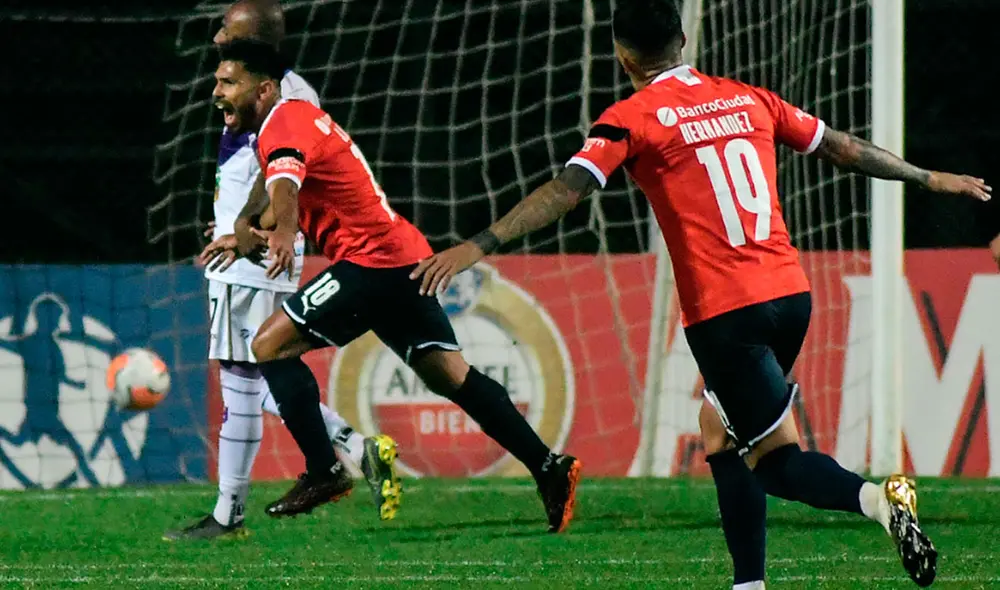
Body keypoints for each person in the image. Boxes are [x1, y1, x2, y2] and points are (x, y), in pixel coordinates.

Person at [410, 0, 991, 586]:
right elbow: (841, 147)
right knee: (718, 427)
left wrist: (479, 244)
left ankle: (877, 502)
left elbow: (567, 191)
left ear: (620, 54)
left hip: (725, 314)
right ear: (684, 39)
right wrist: (924, 176)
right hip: (791, 295)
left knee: (775, 463)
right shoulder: (750, 99)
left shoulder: (632, 118)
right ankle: (749, 583)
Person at [204, 38, 581, 533]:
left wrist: (280, 230)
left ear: (263, 88)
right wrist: (250, 228)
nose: (217, 91)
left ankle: (326, 471)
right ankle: (549, 468)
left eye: (228, 82)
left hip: (373, 262)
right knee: (452, 376)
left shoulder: (282, 123)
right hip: (403, 257)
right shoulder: (288, 119)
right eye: (217, 81)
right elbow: (279, 186)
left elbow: (285, 186)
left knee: (268, 345)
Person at [164, 0, 400, 541]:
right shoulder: (278, 87)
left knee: (240, 378)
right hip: (254, 245)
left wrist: (245, 227)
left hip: (251, 255)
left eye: (228, 23)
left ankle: (229, 515)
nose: (220, 30)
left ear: (254, 38)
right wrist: (235, 219)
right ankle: (357, 448)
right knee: (258, 373)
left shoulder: (280, 94)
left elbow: (278, 176)